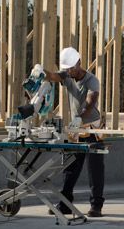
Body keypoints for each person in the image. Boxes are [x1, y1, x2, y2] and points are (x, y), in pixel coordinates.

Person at [39, 47, 105, 217]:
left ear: (79, 63)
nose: (69, 71)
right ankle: (65, 203)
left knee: (94, 167)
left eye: (72, 68)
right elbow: (53, 76)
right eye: (67, 68)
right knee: (70, 166)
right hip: (76, 128)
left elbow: (90, 103)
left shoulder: (92, 81)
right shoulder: (67, 75)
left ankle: (96, 205)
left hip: (93, 127)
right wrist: (40, 71)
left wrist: (80, 118)